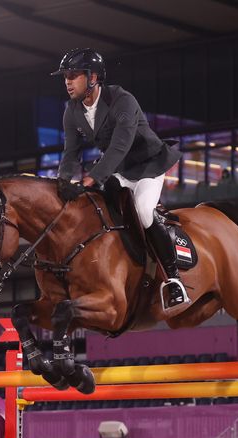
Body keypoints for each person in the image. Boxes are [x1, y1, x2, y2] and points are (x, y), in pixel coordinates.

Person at [54, 48, 187, 311]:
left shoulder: (122, 100)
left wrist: (92, 179)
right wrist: (62, 182)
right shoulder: (72, 111)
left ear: (93, 78)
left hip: (148, 165)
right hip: (120, 171)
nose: (67, 81)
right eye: (65, 76)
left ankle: (174, 279)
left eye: (73, 75)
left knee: (143, 212)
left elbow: (119, 147)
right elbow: (70, 153)